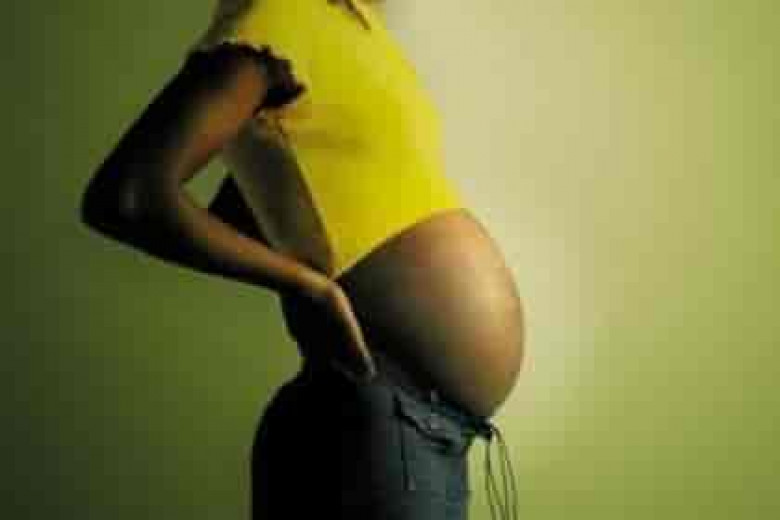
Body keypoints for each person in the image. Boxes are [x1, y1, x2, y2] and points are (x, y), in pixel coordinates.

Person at [79, 0, 525, 518]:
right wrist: (305, 286)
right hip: (379, 421)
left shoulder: (358, 30)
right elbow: (130, 193)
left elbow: (259, 202)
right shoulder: (278, 15)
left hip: (420, 429)